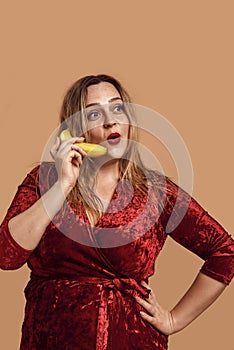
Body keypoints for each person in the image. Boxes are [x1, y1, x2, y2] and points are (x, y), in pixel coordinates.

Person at [0, 74, 233, 350]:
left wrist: (173, 320)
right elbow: (7, 255)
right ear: (75, 129)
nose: (111, 120)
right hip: (50, 339)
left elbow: (224, 252)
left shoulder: (156, 191)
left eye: (118, 108)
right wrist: (63, 185)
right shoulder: (44, 180)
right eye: (95, 113)